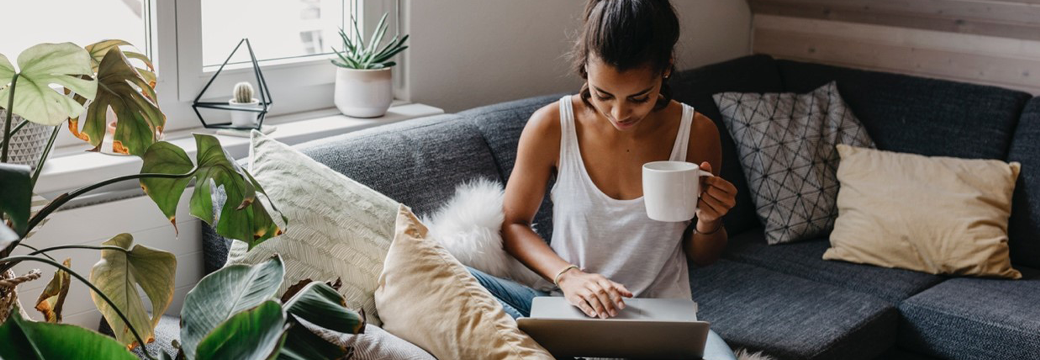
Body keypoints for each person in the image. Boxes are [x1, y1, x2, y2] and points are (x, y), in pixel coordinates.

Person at [467, 0, 739, 358]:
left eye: (639, 98)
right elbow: (514, 224)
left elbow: (704, 255)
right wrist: (568, 276)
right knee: (456, 276)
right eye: (603, 94)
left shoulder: (698, 133)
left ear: (667, 69)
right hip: (571, 310)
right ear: (584, 69)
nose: (619, 113)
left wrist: (709, 221)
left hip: (660, 320)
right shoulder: (551, 126)